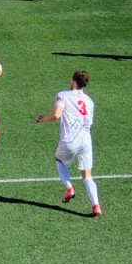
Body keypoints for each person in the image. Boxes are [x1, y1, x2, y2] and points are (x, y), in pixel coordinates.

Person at [35, 69, 101, 218]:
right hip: (86, 139)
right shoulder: (89, 101)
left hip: (70, 140)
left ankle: (69, 187)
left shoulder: (63, 95)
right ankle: (96, 205)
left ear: (74, 81)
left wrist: (41, 119)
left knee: (59, 160)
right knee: (87, 175)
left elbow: (57, 114)